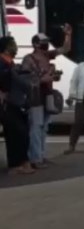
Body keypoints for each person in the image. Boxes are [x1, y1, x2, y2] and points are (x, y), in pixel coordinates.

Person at [21, 26, 71, 169]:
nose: (46, 44)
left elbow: (65, 49)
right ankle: (35, 158)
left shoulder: (47, 56)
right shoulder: (28, 59)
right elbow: (26, 79)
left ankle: (41, 156)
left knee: (44, 127)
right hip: (35, 97)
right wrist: (44, 79)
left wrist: (68, 35)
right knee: (36, 127)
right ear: (36, 44)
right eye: (43, 42)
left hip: (47, 95)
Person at [0, 36, 35, 174]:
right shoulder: (1, 63)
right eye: (12, 44)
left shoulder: (11, 63)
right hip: (7, 104)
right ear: (5, 48)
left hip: (17, 102)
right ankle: (15, 165)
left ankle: (23, 162)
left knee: (22, 133)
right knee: (15, 133)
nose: (15, 47)